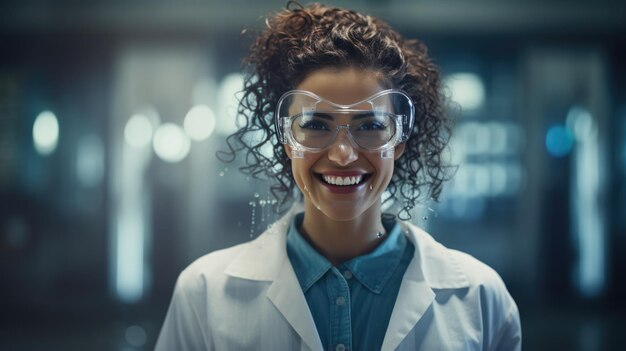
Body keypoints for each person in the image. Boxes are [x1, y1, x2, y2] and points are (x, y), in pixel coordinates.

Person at [155, 2, 522, 350]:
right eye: (315, 124)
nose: (343, 154)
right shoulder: (204, 294)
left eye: (370, 126)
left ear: (399, 142)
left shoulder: (480, 298)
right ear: (286, 139)